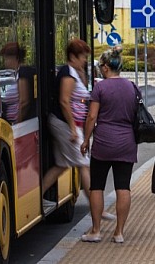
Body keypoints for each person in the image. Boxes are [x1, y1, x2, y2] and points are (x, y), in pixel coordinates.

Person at [42, 38, 114, 220]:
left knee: (61, 164)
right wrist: (73, 128)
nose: (84, 60)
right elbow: (64, 101)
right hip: (66, 125)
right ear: (73, 56)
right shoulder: (67, 74)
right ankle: (97, 209)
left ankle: (38, 197)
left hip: (68, 124)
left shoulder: (75, 72)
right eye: (82, 56)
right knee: (84, 165)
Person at [79, 46, 138, 243]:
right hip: (127, 142)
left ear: (105, 68)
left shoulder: (100, 88)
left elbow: (92, 117)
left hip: (103, 144)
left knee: (97, 186)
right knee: (123, 186)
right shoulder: (132, 87)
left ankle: (96, 231)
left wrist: (86, 140)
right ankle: (119, 232)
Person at [0, 42, 35, 123]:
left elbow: (24, 102)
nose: (5, 62)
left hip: (21, 125)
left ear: (15, 58)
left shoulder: (23, 72)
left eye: (6, 59)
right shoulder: (20, 73)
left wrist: (18, 124)